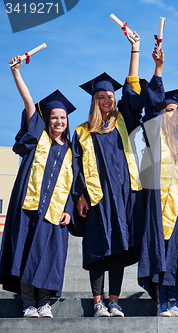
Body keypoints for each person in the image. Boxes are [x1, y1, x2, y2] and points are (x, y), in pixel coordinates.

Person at [72, 30, 143, 317]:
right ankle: (98, 300)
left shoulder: (124, 120)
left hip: (124, 195)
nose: (107, 100)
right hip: (98, 198)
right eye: (101, 96)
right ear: (94, 100)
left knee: (119, 250)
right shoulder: (81, 131)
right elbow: (75, 167)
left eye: (110, 95)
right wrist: (79, 195)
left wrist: (134, 51)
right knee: (99, 249)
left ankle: (114, 300)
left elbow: (133, 93)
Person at [0, 56, 76, 318]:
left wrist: (69, 209)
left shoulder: (71, 150)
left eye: (62, 117)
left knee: (50, 255)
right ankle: (28, 302)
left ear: (67, 120)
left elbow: (74, 184)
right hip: (28, 207)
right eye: (54, 117)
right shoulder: (37, 139)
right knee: (25, 250)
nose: (58, 121)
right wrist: (17, 73)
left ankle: (45, 302)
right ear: (47, 120)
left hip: (55, 213)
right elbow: (29, 104)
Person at [137, 49, 178, 317]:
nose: (172, 115)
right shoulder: (154, 137)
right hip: (158, 205)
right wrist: (159, 69)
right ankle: (161, 300)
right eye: (168, 110)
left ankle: (174, 299)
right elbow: (151, 109)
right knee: (161, 250)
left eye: (176, 111)